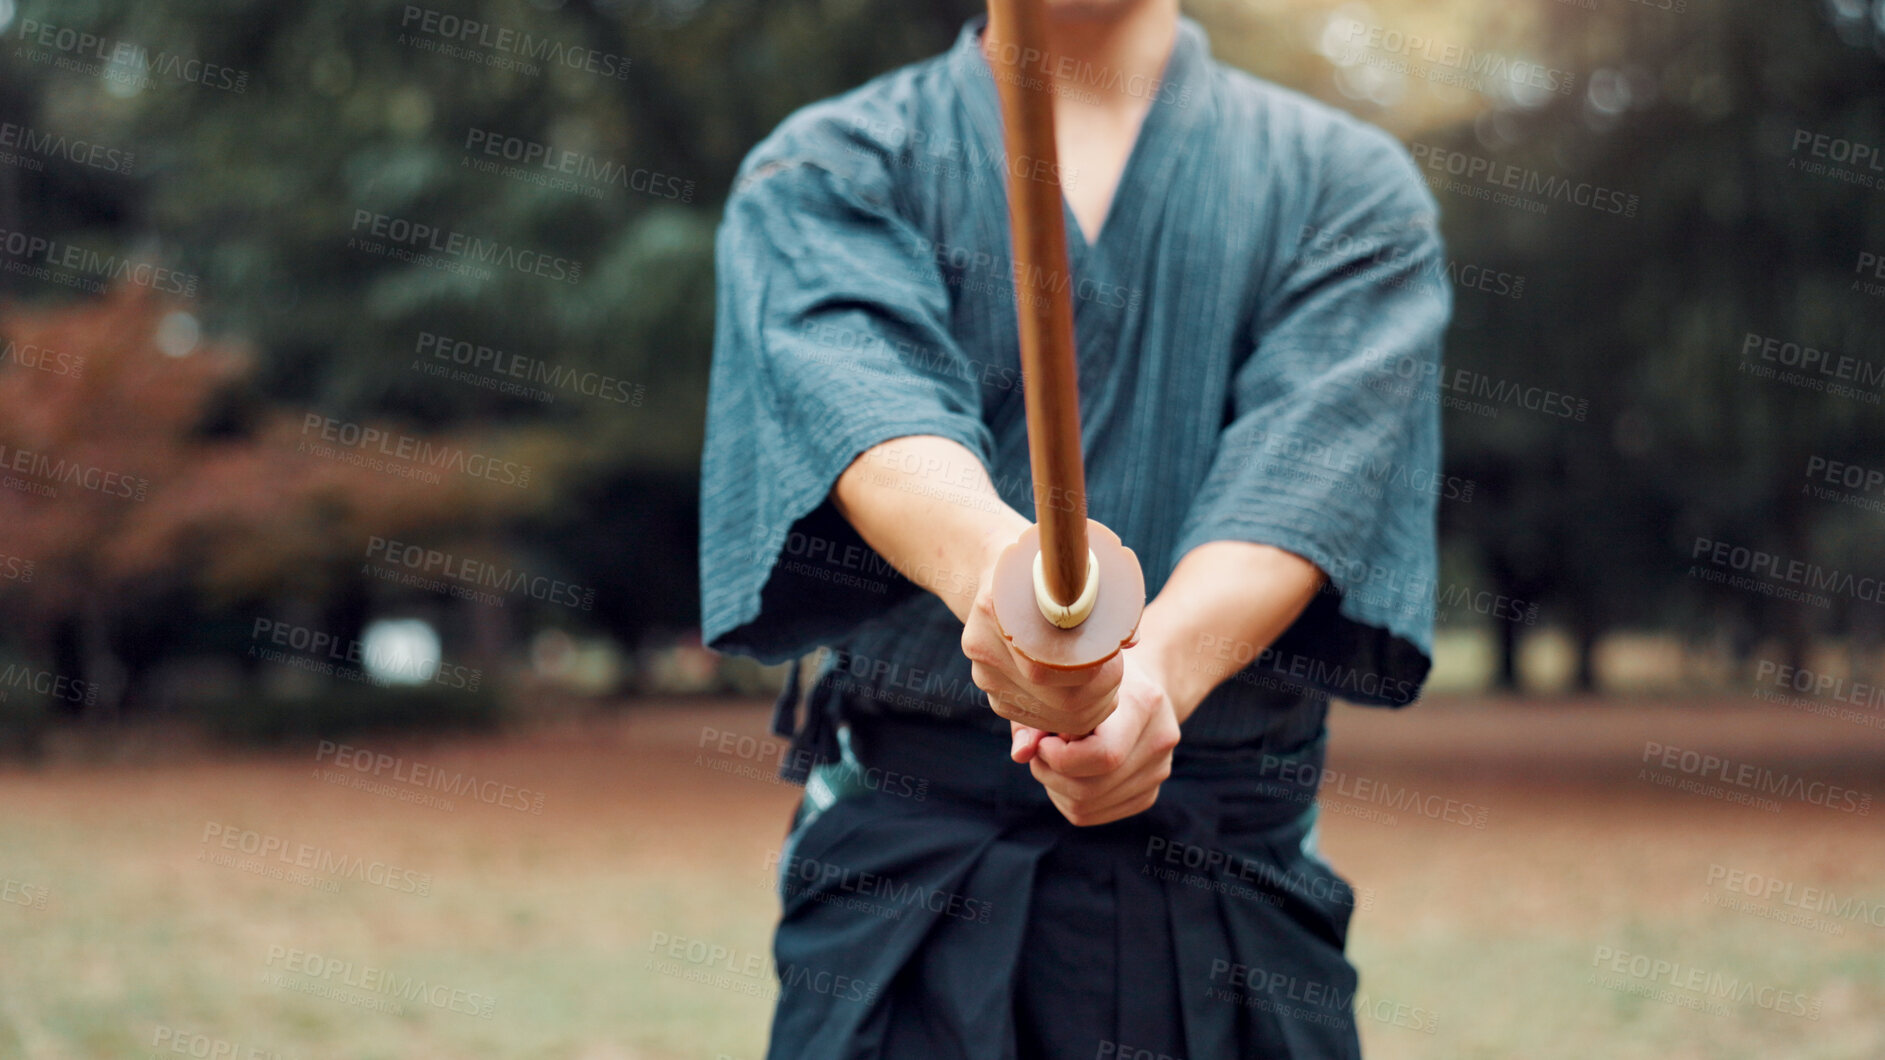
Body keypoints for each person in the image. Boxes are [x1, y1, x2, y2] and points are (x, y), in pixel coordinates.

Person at [699, 0, 1451, 1055]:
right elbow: (871, 422)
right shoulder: (826, 167)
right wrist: (1021, 601)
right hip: (911, 890)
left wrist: (1149, 680)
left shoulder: (1345, 187)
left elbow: (1305, 485)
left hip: (1230, 894)